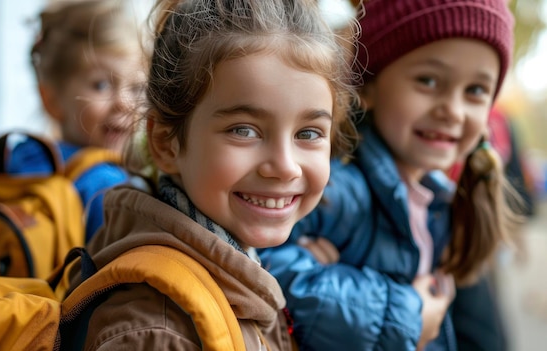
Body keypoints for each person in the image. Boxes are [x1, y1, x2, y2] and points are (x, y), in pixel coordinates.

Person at [60, 0, 358, 349]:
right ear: (166, 143)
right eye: (244, 130)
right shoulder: (157, 332)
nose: (285, 166)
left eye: (308, 133)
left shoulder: (240, 273)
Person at [259, 0, 521, 350]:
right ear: (368, 87)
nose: (453, 111)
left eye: (475, 90)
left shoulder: (436, 198)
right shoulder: (340, 187)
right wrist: (407, 316)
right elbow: (263, 268)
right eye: (428, 81)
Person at [7, 0, 150, 243]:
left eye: (137, 88)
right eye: (101, 85)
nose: (124, 104)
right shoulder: (108, 187)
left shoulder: (21, 158)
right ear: (51, 99)